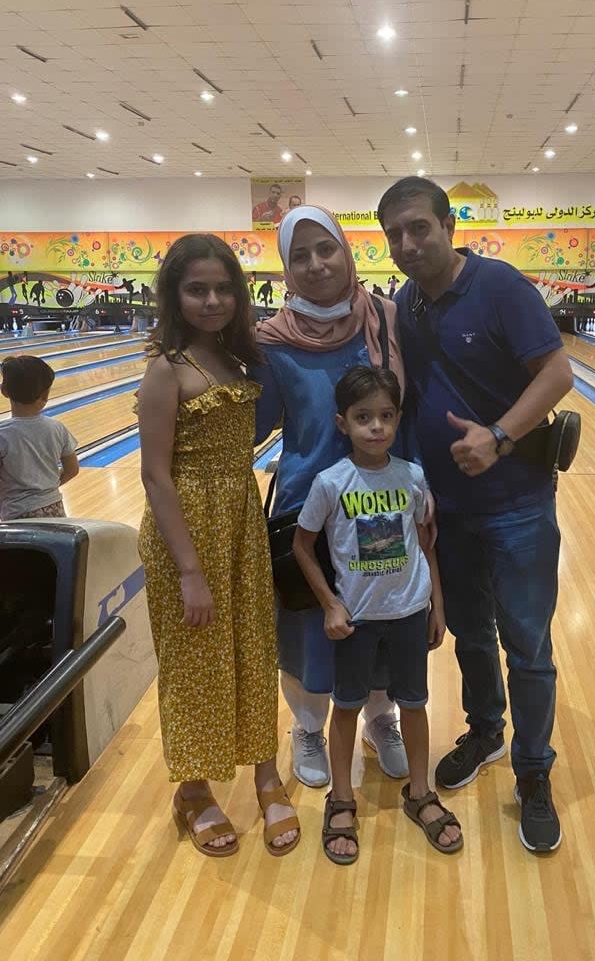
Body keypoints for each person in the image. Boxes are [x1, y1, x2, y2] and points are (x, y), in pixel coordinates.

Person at [377, 176, 574, 853]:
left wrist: (501, 436)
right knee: (469, 634)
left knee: (528, 646)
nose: (407, 244)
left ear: (448, 224)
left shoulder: (500, 286)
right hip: (451, 509)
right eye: (395, 234)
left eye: (418, 227)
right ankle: (486, 733)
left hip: (517, 505)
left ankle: (534, 774)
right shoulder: (408, 305)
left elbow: (556, 372)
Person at [136, 233, 299, 859]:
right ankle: (195, 789)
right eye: (197, 289)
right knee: (194, 663)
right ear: (176, 297)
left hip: (241, 525)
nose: (212, 300)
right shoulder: (167, 370)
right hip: (188, 534)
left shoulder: (238, 360)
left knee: (253, 652)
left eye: (223, 288)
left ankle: (264, 773)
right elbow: (155, 476)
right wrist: (189, 572)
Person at [252, 205, 410, 789]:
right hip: (307, 508)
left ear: (347, 251)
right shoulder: (270, 340)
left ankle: (381, 718)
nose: (316, 264)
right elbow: (258, 424)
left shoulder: (386, 319)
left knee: (380, 614)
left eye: (327, 249)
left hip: (381, 500)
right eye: (300, 255)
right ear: (286, 269)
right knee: (310, 628)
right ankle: (309, 727)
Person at [294, 366, 462, 864]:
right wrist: (330, 603)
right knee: (345, 707)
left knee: (413, 703)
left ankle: (420, 792)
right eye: (363, 417)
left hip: (410, 612)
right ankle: (341, 799)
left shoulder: (412, 476)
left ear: (397, 419)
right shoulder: (331, 482)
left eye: (386, 416)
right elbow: (303, 548)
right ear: (343, 423)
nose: (376, 427)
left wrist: (438, 605)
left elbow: (426, 547)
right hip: (358, 621)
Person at [0, 356, 79, 521]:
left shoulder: (3, 434)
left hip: (17, 513)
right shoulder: (57, 428)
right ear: (45, 396)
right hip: (54, 508)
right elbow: (72, 469)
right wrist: (46, 487)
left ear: (4, 390)